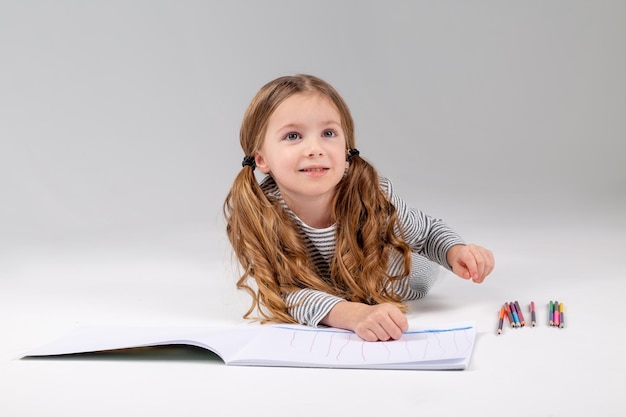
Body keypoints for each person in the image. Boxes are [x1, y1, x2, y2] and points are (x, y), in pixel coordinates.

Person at [223, 74, 494, 342]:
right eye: (293, 136)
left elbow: (426, 233)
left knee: (418, 247)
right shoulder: (257, 213)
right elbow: (285, 293)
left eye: (328, 133)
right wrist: (352, 314)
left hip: (408, 272)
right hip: (353, 294)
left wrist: (455, 251)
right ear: (261, 158)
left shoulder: (371, 194)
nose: (315, 148)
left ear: (346, 147)